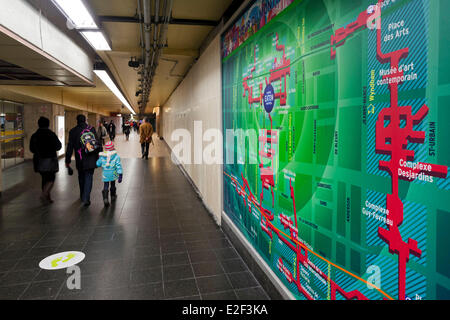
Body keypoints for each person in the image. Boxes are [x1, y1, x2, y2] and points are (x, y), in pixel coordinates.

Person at [65, 114, 100, 207]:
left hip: (80, 158)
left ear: (77, 120)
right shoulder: (91, 129)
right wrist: (99, 155)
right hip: (91, 158)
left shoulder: (73, 131)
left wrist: (67, 160)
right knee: (89, 177)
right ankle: (86, 198)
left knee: (81, 177)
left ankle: (82, 195)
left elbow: (69, 147)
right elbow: (98, 143)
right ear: (85, 120)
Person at [30, 117, 62, 204]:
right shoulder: (51, 134)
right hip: (50, 160)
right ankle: (44, 194)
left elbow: (31, 149)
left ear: (38, 124)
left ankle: (48, 198)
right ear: (48, 124)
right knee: (51, 178)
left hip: (38, 160)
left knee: (44, 178)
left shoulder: (34, 135)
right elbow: (58, 146)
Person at [96, 141, 123, 207]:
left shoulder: (102, 156)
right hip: (113, 173)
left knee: (106, 185)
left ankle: (105, 198)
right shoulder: (116, 156)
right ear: (113, 148)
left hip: (105, 174)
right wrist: (120, 175)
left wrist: (99, 159)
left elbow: (97, 164)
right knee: (113, 184)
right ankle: (113, 196)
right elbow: (118, 166)